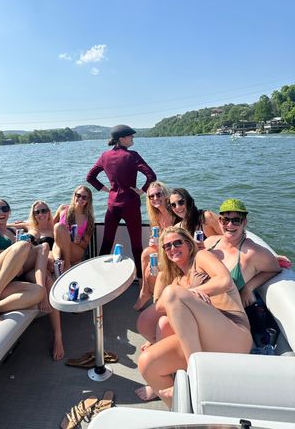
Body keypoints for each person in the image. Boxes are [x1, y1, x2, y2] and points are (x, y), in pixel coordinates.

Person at [137, 226, 253, 408]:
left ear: (189, 245)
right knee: (147, 362)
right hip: (206, 341)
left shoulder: (200, 257)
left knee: (172, 295)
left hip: (234, 335)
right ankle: (183, 413)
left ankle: (194, 376)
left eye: (177, 243)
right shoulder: (177, 281)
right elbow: (159, 307)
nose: (172, 248)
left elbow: (224, 280)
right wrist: (183, 295)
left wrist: (190, 293)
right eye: (167, 247)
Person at [86, 124, 156, 278]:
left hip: (112, 205)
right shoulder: (132, 156)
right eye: (131, 136)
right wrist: (142, 190)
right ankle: (141, 278)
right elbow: (151, 176)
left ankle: (97, 275)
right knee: (136, 245)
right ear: (122, 138)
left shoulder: (105, 156)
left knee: (106, 242)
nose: (133, 138)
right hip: (130, 204)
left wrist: (106, 189)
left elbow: (90, 177)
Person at [0, 199, 45, 325]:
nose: (1, 212)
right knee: (22, 245)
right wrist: (9, 261)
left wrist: (15, 263)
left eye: (4, 209)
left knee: (39, 292)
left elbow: (32, 229)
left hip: (5, 281)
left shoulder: (11, 231)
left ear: (9, 212)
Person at [10, 200, 65, 360]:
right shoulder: (29, 226)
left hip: (41, 268)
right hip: (25, 267)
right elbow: (5, 224)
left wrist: (56, 258)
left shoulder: (53, 229)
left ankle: (58, 337)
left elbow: (56, 251)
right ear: (33, 215)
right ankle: (43, 297)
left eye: (43, 210)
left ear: (49, 212)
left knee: (48, 281)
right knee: (46, 280)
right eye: (37, 212)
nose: (40, 214)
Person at [204, 198, 282, 307]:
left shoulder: (253, 253)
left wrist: (248, 287)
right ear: (219, 221)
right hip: (200, 303)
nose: (230, 225)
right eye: (225, 220)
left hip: (224, 313)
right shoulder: (209, 242)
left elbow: (274, 270)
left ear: (244, 222)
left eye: (236, 220)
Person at [134, 181, 173, 310]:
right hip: (164, 249)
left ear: (165, 195)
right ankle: (145, 291)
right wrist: (152, 241)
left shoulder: (174, 213)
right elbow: (158, 239)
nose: (155, 198)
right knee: (145, 253)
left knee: (150, 270)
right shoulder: (157, 216)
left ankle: (154, 299)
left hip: (174, 251)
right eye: (151, 196)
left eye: (158, 194)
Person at [53, 185, 95, 271]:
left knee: (59, 228)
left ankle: (66, 264)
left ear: (88, 200)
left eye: (84, 197)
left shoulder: (88, 219)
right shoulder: (63, 208)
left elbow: (85, 244)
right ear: (74, 195)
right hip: (59, 247)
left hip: (75, 249)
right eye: (78, 195)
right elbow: (51, 226)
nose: (80, 199)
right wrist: (24, 224)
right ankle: (58, 261)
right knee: (58, 227)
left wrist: (79, 241)